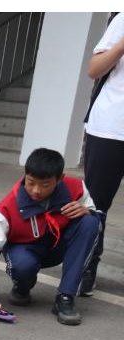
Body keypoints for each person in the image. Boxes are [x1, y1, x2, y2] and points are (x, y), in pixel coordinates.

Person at [0, 148, 100, 325]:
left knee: (90, 222)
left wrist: (88, 211)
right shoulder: (5, 208)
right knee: (22, 266)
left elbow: (96, 216)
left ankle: (65, 296)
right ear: (25, 175)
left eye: (45, 185)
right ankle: (22, 286)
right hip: (23, 251)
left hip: (58, 247)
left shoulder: (77, 188)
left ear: (60, 179)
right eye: (30, 182)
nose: (36, 190)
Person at [81, 13, 124, 295]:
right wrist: (121, 46)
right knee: (95, 204)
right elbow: (94, 69)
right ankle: (85, 269)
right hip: (111, 127)